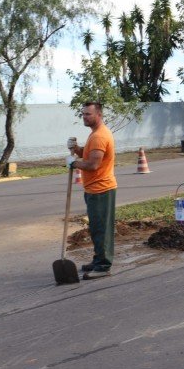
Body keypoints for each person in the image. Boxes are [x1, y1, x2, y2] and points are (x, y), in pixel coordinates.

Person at [67, 102, 117, 280]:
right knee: (96, 227)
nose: (85, 117)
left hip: (101, 189)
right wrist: (76, 150)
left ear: (99, 115)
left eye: (88, 114)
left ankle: (103, 266)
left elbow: (93, 164)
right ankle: (98, 260)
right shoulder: (94, 134)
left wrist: (73, 163)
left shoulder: (99, 136)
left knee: (101, 229)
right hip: (95, 189)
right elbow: (89, 156)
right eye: (83, 114)